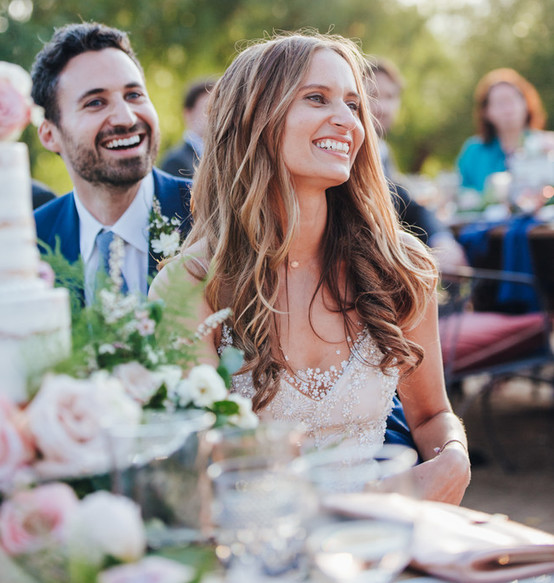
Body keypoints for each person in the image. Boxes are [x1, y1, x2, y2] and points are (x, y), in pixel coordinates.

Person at [151, 33, 471, 503]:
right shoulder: (192, 286)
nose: (347, 121)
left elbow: (429, 417)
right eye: (317, 98)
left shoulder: (399, 266)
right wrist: (389, 494)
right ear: (253, 119)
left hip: (389, 543)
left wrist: (453, 454)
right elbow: (205, 476)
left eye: (353, 104)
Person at [31, 23, 192, 305]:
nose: (126, 118)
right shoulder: (31, 246)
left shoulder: (214, 217)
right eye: (95, 102)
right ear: (49, 135)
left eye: (134, 95)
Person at [368, 58, 467, 271]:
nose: (382, 107)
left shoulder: (382, 149)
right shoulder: (349, 149)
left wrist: (441, 238)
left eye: (390, 97)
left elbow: (406, 204)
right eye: (372, 95)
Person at [457, 68, 547, 193]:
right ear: (486, 112)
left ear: (526, 104)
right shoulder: (473, 151)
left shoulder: (547, 145)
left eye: (512, 100)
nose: (507, 109)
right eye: (500, 103)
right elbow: (463, 197)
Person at [160, 78, 216, 178]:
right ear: (188, 114)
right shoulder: (175, 162)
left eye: (217, 108)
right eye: (207, 109)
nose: (214, 115)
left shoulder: (220, 156)